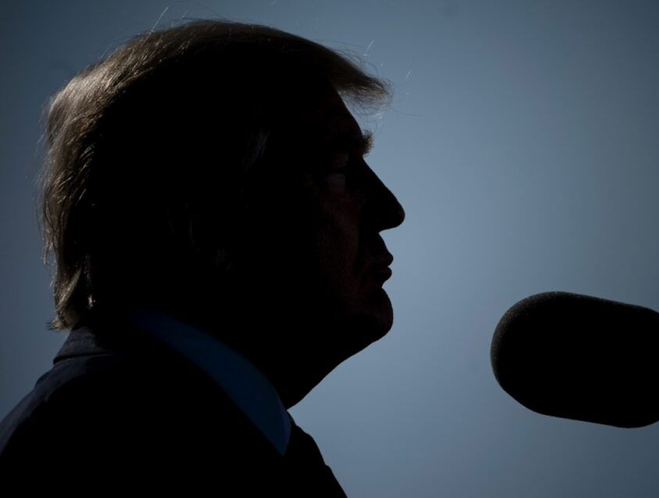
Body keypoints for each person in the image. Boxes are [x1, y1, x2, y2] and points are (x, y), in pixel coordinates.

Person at [0, 19, 405, 494]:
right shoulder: (90, 442)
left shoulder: (221, 434)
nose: (390, 209)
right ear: (210, 227)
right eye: (337, 169)